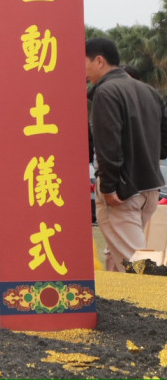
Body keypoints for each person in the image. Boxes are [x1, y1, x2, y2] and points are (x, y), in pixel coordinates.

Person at [85, 37, 167, 272]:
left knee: (138, 265)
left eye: (85, 63)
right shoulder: (149, 91)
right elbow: (164, 140)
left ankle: (154, 306)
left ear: (99, 60)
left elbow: (107, 145)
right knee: (117, 255)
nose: (85, 71)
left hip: (122, 192)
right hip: (149, 189)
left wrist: (110, 187)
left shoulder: (106, 91)